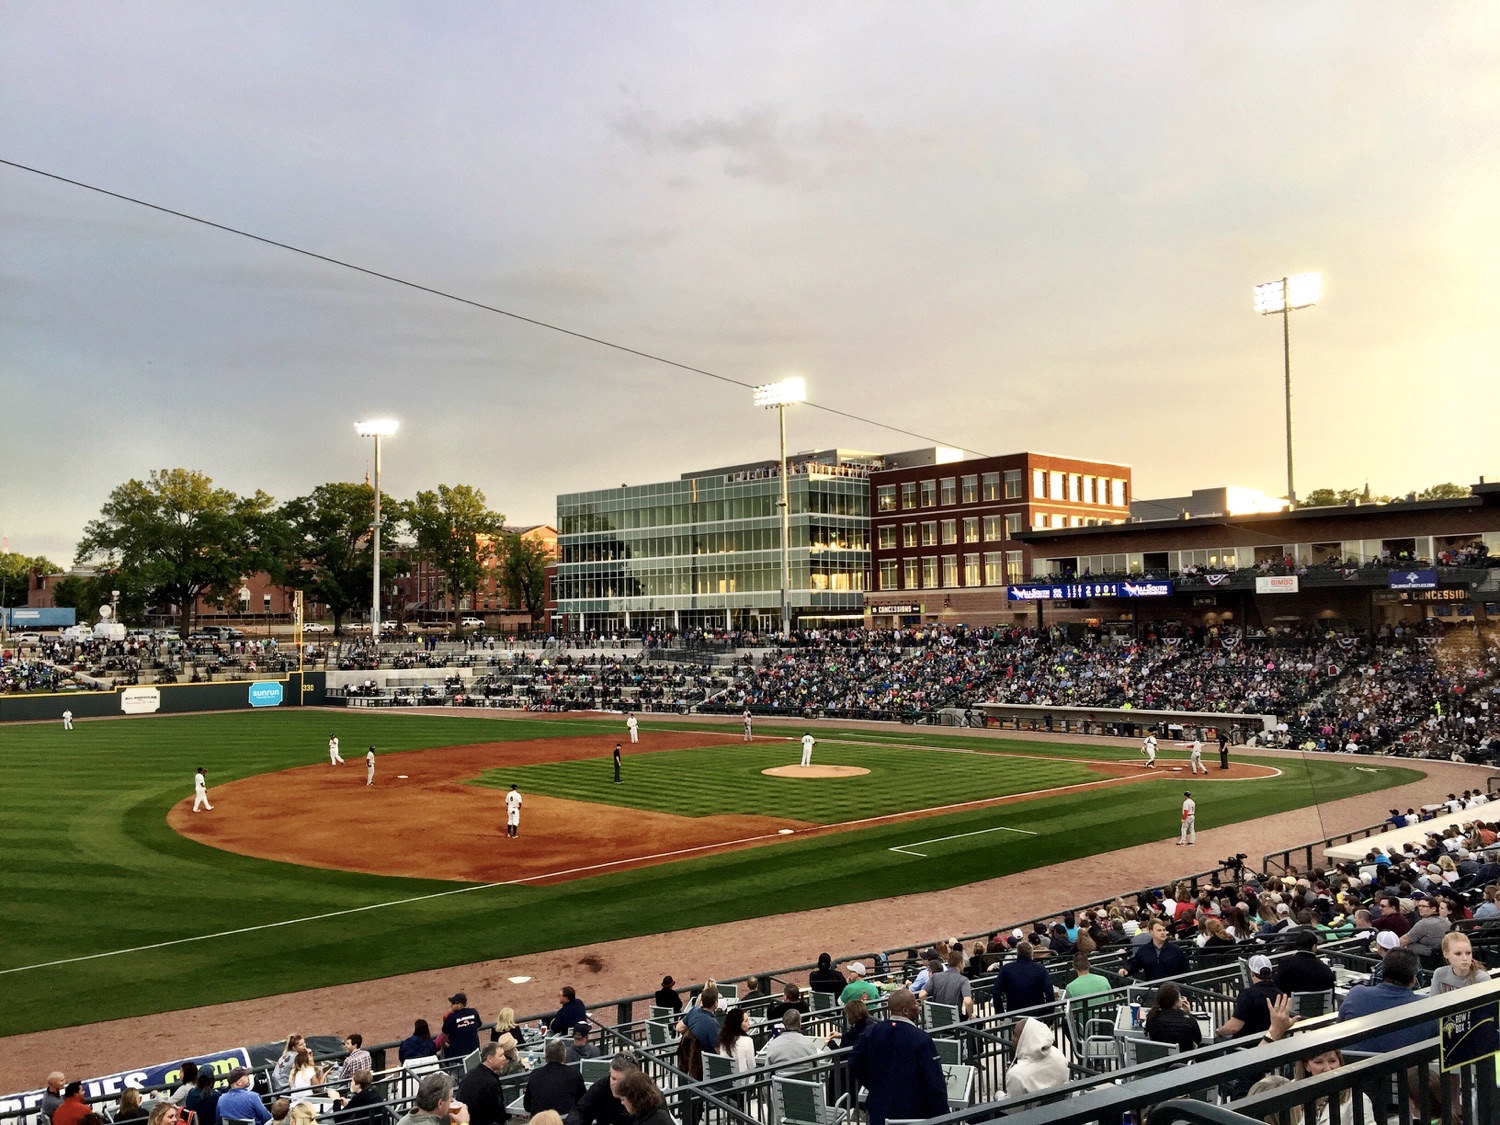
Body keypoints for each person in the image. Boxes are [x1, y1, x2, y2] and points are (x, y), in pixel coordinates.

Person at [848, 989, 947, 1125]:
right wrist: (944, 1116)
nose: (918, 1007)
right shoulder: (921, 1039)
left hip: (879, 1111)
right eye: (915, 1004)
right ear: (905, 1010)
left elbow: (854, 1062)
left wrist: (874, 1084)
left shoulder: (871, 1032)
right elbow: (934, 1082)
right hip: (914, 1114)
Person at [1336, 948, 1437, 1052]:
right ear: (1413, 980)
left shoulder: (1356, 994)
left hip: (1353, 1066)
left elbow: (1339, 1028)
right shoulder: (1427, 1008)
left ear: (1382, 973)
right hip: (1402, 1066)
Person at [1216, 955, 1281, 1039]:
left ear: (1252, 973)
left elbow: (1233, 1027)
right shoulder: (1280, 994)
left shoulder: (1248, 994)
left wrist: (1218, 1032)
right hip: (1271, 1042)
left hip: (1246, 1044)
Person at [565, 1052, 637, 1125]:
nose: (615, 1084)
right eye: (613, 1078)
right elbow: (582, 1111)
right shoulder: (602, 1086)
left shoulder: (641, 1093)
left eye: (621, 1080)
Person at [1006, 1016, 1071, 1095]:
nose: (1012, 1038)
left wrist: (999, 1096)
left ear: (1024, 1038)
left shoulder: (1016, 1075)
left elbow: (1013, 1107)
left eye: (1015, 1034)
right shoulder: (1059, 1056)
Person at [523, 1040, 586, 1116]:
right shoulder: (574, 1074)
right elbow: (582, 1102)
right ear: (564, 1056)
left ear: (546, 1057)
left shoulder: (534, 1075)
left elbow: (527, 1106)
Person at [1120, 920, 1189, 981]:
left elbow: (1185, 970)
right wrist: (1126, 970)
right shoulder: (1144, 950)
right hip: (1152, 989)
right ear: (1151, 931)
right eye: (1159, 930)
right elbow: (1135, 963)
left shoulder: (1176, 950)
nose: (1163, 933)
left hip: (1172, 990)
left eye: (1164, 930)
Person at [996, 941, 1055, 1012]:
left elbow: (996, 991)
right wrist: (1050, 1015)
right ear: (1031, 954)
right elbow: (1049, 993)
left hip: (1014, 1015)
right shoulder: (1041, 969)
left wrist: (1000, 1013)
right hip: (1036, 1015)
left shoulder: (1006, 968)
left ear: (1017, 953)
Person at [457, 1045, 509, 1125]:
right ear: (490, 1059)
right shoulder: (490, 1082)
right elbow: (496, 1113)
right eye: (501, 1055)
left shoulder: (470, 1074)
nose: (504, 1058)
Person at [1273, 930, 1336, 995]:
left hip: (1291, 1003)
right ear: (1314, 946)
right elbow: (1331, 993)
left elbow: (1279, 988)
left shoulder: (1285, 963)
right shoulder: (1324, 969)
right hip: (1318, 1004)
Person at [1144, 982, 1202, 1052]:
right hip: (1183, 1060)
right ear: (1176, 1001)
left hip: (1160, 1060)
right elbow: (1198, 1039)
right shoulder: (1189, 1021)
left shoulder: (1153, 1017)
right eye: (1180, 997)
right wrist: (1188, 1014)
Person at [394, 1072, 467, 1125]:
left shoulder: (405, 1120)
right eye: (450, 1097)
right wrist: (464, 1123)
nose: (452, 1101)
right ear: (440, 1103)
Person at [443, 992, 484, 1061]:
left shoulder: (451, 1017)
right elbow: (479, 1025)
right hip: (474, 1053)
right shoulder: (473, 1012)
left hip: (457, 1056)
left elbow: (444, 1031)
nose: (451, 1005)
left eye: (453, 1003)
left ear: (459, 1004)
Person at [718, 1007, 757, 1074]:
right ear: (738, 1024)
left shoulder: (723, 1039)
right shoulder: (747, 1041)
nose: (749, 1023)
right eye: (746, 1021)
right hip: (745, 1081)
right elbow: (752, 1066)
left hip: (727, 1079)